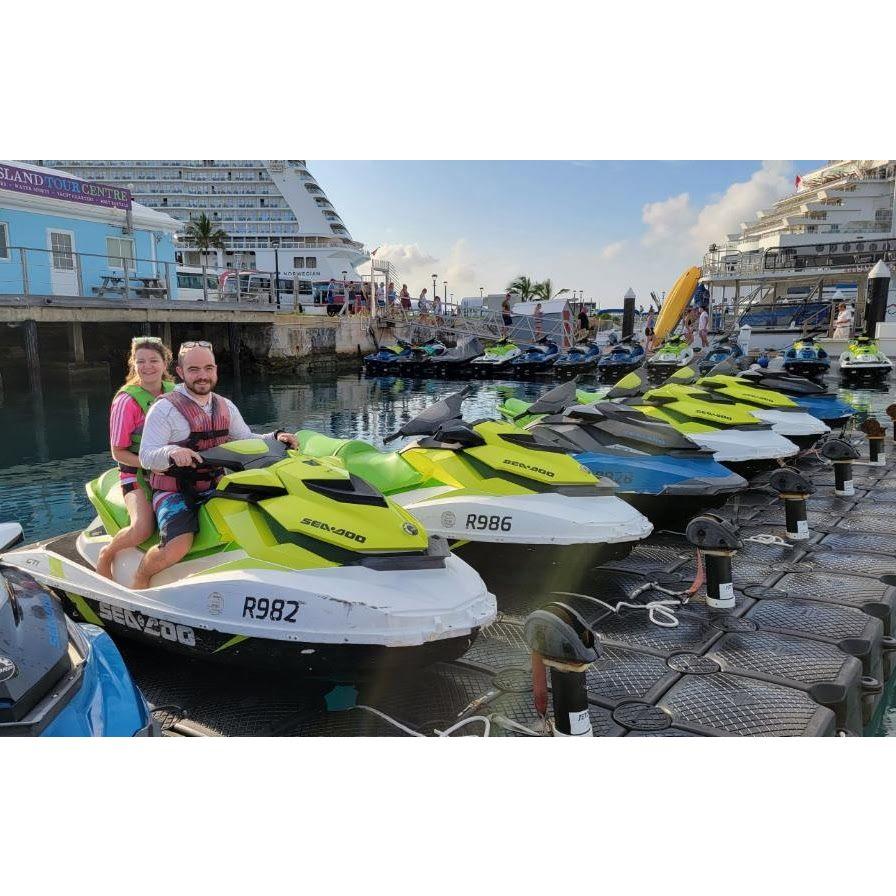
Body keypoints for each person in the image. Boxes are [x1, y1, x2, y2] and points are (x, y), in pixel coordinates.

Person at [133, 342, 298, 589]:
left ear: (216, 370)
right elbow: (147, 455)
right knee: (177, 546)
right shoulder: (164, 408)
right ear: (180, 372)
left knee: (266, 511)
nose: (203, 376)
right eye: (194, 369)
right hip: (173, 490)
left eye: (208, 368)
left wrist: (276, 437)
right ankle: (140, 579)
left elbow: (246, 440)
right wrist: (172, 451)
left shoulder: (225, 406)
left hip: (214, 483)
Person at [95, 337, 177, 580]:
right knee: (142, 529)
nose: (148, 366)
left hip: (174, 469)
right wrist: (151, 464)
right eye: (141, 361)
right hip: (136, 474)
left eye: (154, 360)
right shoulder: (126, 401)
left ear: (165, 364)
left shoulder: (176, 393)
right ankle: (107, 554)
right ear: (133, 364)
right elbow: (117, 452)